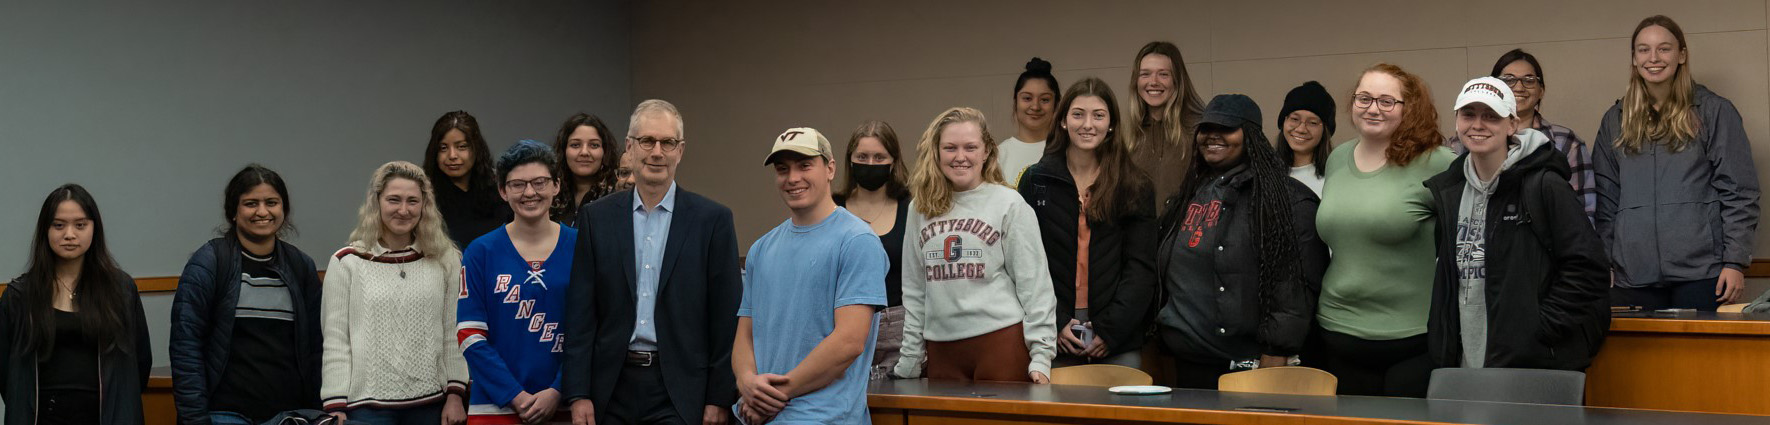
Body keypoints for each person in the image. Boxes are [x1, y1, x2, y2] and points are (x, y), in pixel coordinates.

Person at [561, 99, 740, 425]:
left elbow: (726, 318)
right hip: (610, 389)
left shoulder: (712, 221)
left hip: (681, 390)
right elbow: (581, 312)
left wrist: (719, 397)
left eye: (667, 142)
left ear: (680, 150)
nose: (657, 152)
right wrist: (578, 392)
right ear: (629, 147)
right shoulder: (596, 219)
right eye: (647, 141)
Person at [1425, 77, 1610, 371]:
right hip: (1465, 361)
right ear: (1457, 121)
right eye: (1468, 114)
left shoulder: (1544, 184)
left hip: (1529, 362)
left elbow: (1589, 269)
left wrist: (1538, 330)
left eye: (1491, 116)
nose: (1478, 124)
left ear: (1512, 125)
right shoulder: (1450, 190)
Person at [1153, 94, 1328, 389]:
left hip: (1246, 369)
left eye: (1226, 129)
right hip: (1186, 363)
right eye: (1207, 128)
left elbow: (1294, 290)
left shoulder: (1286, 199)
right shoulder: (1191, 192)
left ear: (1251, 137)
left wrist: (1273, 357)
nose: (1213, 136)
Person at [1595, 15, 1761, 311]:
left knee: (1700, 358)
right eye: (1643, 49)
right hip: (1632, 275)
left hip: (1703, 273)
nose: (1654, 58)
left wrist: (1735, 261)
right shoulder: (1615, 120)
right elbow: (1606, 200)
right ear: (1634, 58)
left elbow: (1740, 192)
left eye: (1664, 48)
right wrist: (1604, 261)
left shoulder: (1714, 111)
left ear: (1681, 54)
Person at [1314, 63, 1455, 397]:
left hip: (1411, 342)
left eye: (1386, 101)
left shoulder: (1438, 162)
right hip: (1337, 333)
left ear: (1409, 108)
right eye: (1364, 98)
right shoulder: (1338, 159)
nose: (1373, 108)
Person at [733, 128, 887, 424]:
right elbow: (745, 336)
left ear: (830, 168)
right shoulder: (761, 249)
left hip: (824, 417)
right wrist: (747, 384)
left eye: (804, 166)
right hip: (761, 416)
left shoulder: (857, 241)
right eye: (783, 169)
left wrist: (772, 397)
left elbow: (849, 342)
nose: (793, 178)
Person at [893, 107, 1057, 384]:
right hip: (941, 350)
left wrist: (1041, 355)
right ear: (936, 152)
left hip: (1000, 343)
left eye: (970, 147)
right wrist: (910, 357)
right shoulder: (918, 209)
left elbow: (1036, 286)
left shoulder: (1009, 204)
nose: (960, 157)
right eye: (950, 148)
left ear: (987, 152)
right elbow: (914, 290)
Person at [1017, 77, 1156, 368]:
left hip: (1116, 337)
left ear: (1112, 124)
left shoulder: (1134, 184)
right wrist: (1054, 324)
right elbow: (1024, 264)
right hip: (1053, 332)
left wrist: (1110, 330)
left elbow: (1141, 268)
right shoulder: (1036, 181)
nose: (1088, 124)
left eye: (1099, 115)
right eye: (1078, 114)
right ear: (1064, 121)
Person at [171, 165, 323, 425]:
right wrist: (195, 418)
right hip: (224, 414)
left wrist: (318, 410)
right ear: (233, 212)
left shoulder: (301, 266)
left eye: (272, 202)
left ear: (283, 209)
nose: (262, 212)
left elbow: (316, 347)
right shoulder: (209, 262)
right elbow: (186, 346)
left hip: (289, 415)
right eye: (251, 203)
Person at [321, 161, 469, 424]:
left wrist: (456, 394)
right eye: (394, 200)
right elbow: (336, 341)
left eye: (413, 201)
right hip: (365, 409)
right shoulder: (347, 262)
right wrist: (335, 403)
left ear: (425, 206)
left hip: (432, 405)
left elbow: (452, 331)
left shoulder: (445, 259)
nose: (403, 210)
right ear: (376, 203)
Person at [0, 184, 151, 425]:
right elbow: (7, 372)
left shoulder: (121, 290)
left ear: (94, 229)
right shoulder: (20, 296)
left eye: (80, 225)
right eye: (58, 225)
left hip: (105, 416)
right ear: (45, 230)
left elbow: (140, 362)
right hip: (42, 416)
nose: (69, 234)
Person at [458, 141, 578, 424]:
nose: (530, 193)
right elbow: (469, 335)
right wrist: (515, 395)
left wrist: (558, 390)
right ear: (503, 191)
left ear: (556, 185)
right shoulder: (480, 252)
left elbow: (594, 331)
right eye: (518, 184)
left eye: (539, 182)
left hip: (567, 404)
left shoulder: (582, 246)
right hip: (495, 407)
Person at [1445, 49, 1595, 222]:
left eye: (1529, 80)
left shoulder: (1566, 142)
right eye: (1508, 80)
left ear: (1541, 91)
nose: (1518, 87)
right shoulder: (1461, 142)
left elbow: (1584, 213)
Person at [831, 120, 914, 380]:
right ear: (850, 161)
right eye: (862, 156)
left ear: (893, 161)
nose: (870, 163)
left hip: (900, 327)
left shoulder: (912, 207)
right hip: (841, 326)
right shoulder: (831, 208)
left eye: (879, 157)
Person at [1126, 41, 1207, 217]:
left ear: (1177, 80)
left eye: (1163, 74)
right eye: (1145, 74)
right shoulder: (1129, 135)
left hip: (1185, 239)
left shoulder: (1199, 130)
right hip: (1142, 240)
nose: (1153, 82)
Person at [426, 110, 515, 248]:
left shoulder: (501, 190)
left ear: (476, 148)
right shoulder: (425, 196)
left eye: (461, 146)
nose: (452, 155)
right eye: (443, 148)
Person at [551, 113, 623, 225]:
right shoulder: (550, 194)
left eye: (594, 145)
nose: (584, 152)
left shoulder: (618, 196)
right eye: (575, 145)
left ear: (605, 151)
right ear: (563, 151)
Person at [999, 57, 1060, 188]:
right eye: (1027, 98)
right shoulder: (998, 156)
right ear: (1015, 102)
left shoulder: (1066, 151)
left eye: (1045, 100)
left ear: (1056, 105)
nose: (1035, 106)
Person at [1276, 81, 1336, 196]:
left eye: (1312, 123)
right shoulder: (1264, 173)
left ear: (1325, 131)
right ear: (1283, 122)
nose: (1301, 129)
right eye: (1294, 119)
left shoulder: (1334, 179)